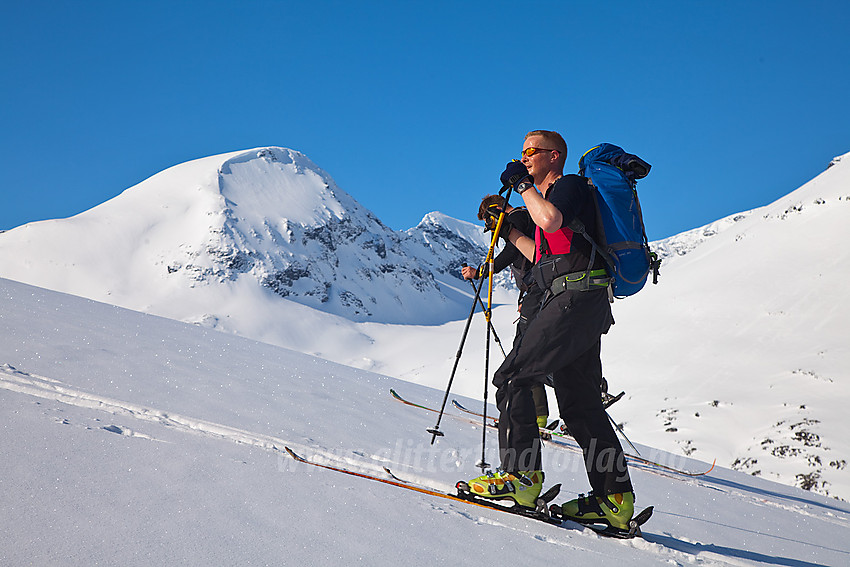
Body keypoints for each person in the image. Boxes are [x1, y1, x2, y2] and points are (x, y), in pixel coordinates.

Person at [465, 130, 636, 533]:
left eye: (531, 151)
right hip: (582, 299)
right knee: (579, 406)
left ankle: (521, 479)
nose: (524, 157)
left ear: (554, 156)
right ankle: (614, 500)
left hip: (575, 297)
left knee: (513, 377)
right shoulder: (552, 199)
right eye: (522, 152)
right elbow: (543, 253)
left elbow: (550, 219)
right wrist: (507, 229)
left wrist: (523, 187)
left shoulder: (571, 186)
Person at [461, 195, 549, 428]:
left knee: (524, 350)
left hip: (538, 289)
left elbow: (511, 253)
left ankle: (533, 414)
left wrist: (480, 272)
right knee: (529, 349)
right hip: (536, 289)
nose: (492, 229)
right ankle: (540, 413)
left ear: (496, 210)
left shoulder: (518, 217)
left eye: (489, 222)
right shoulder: (525, 216)